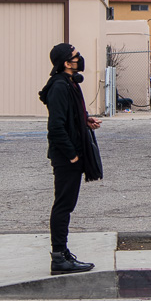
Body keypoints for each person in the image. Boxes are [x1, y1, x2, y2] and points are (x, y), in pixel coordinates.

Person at [38, 43, 103, 275]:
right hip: (66, 157)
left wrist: (85, 120)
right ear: (66, 63)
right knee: (63, 205)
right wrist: (72, 155)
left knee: (66, 205)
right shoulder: (59, 86)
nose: (79, 59)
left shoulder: (69, 83)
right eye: (76, 56)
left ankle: (62, 253)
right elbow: (55, 127)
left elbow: (69, 115)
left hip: (71, 154)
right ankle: (59, 257)